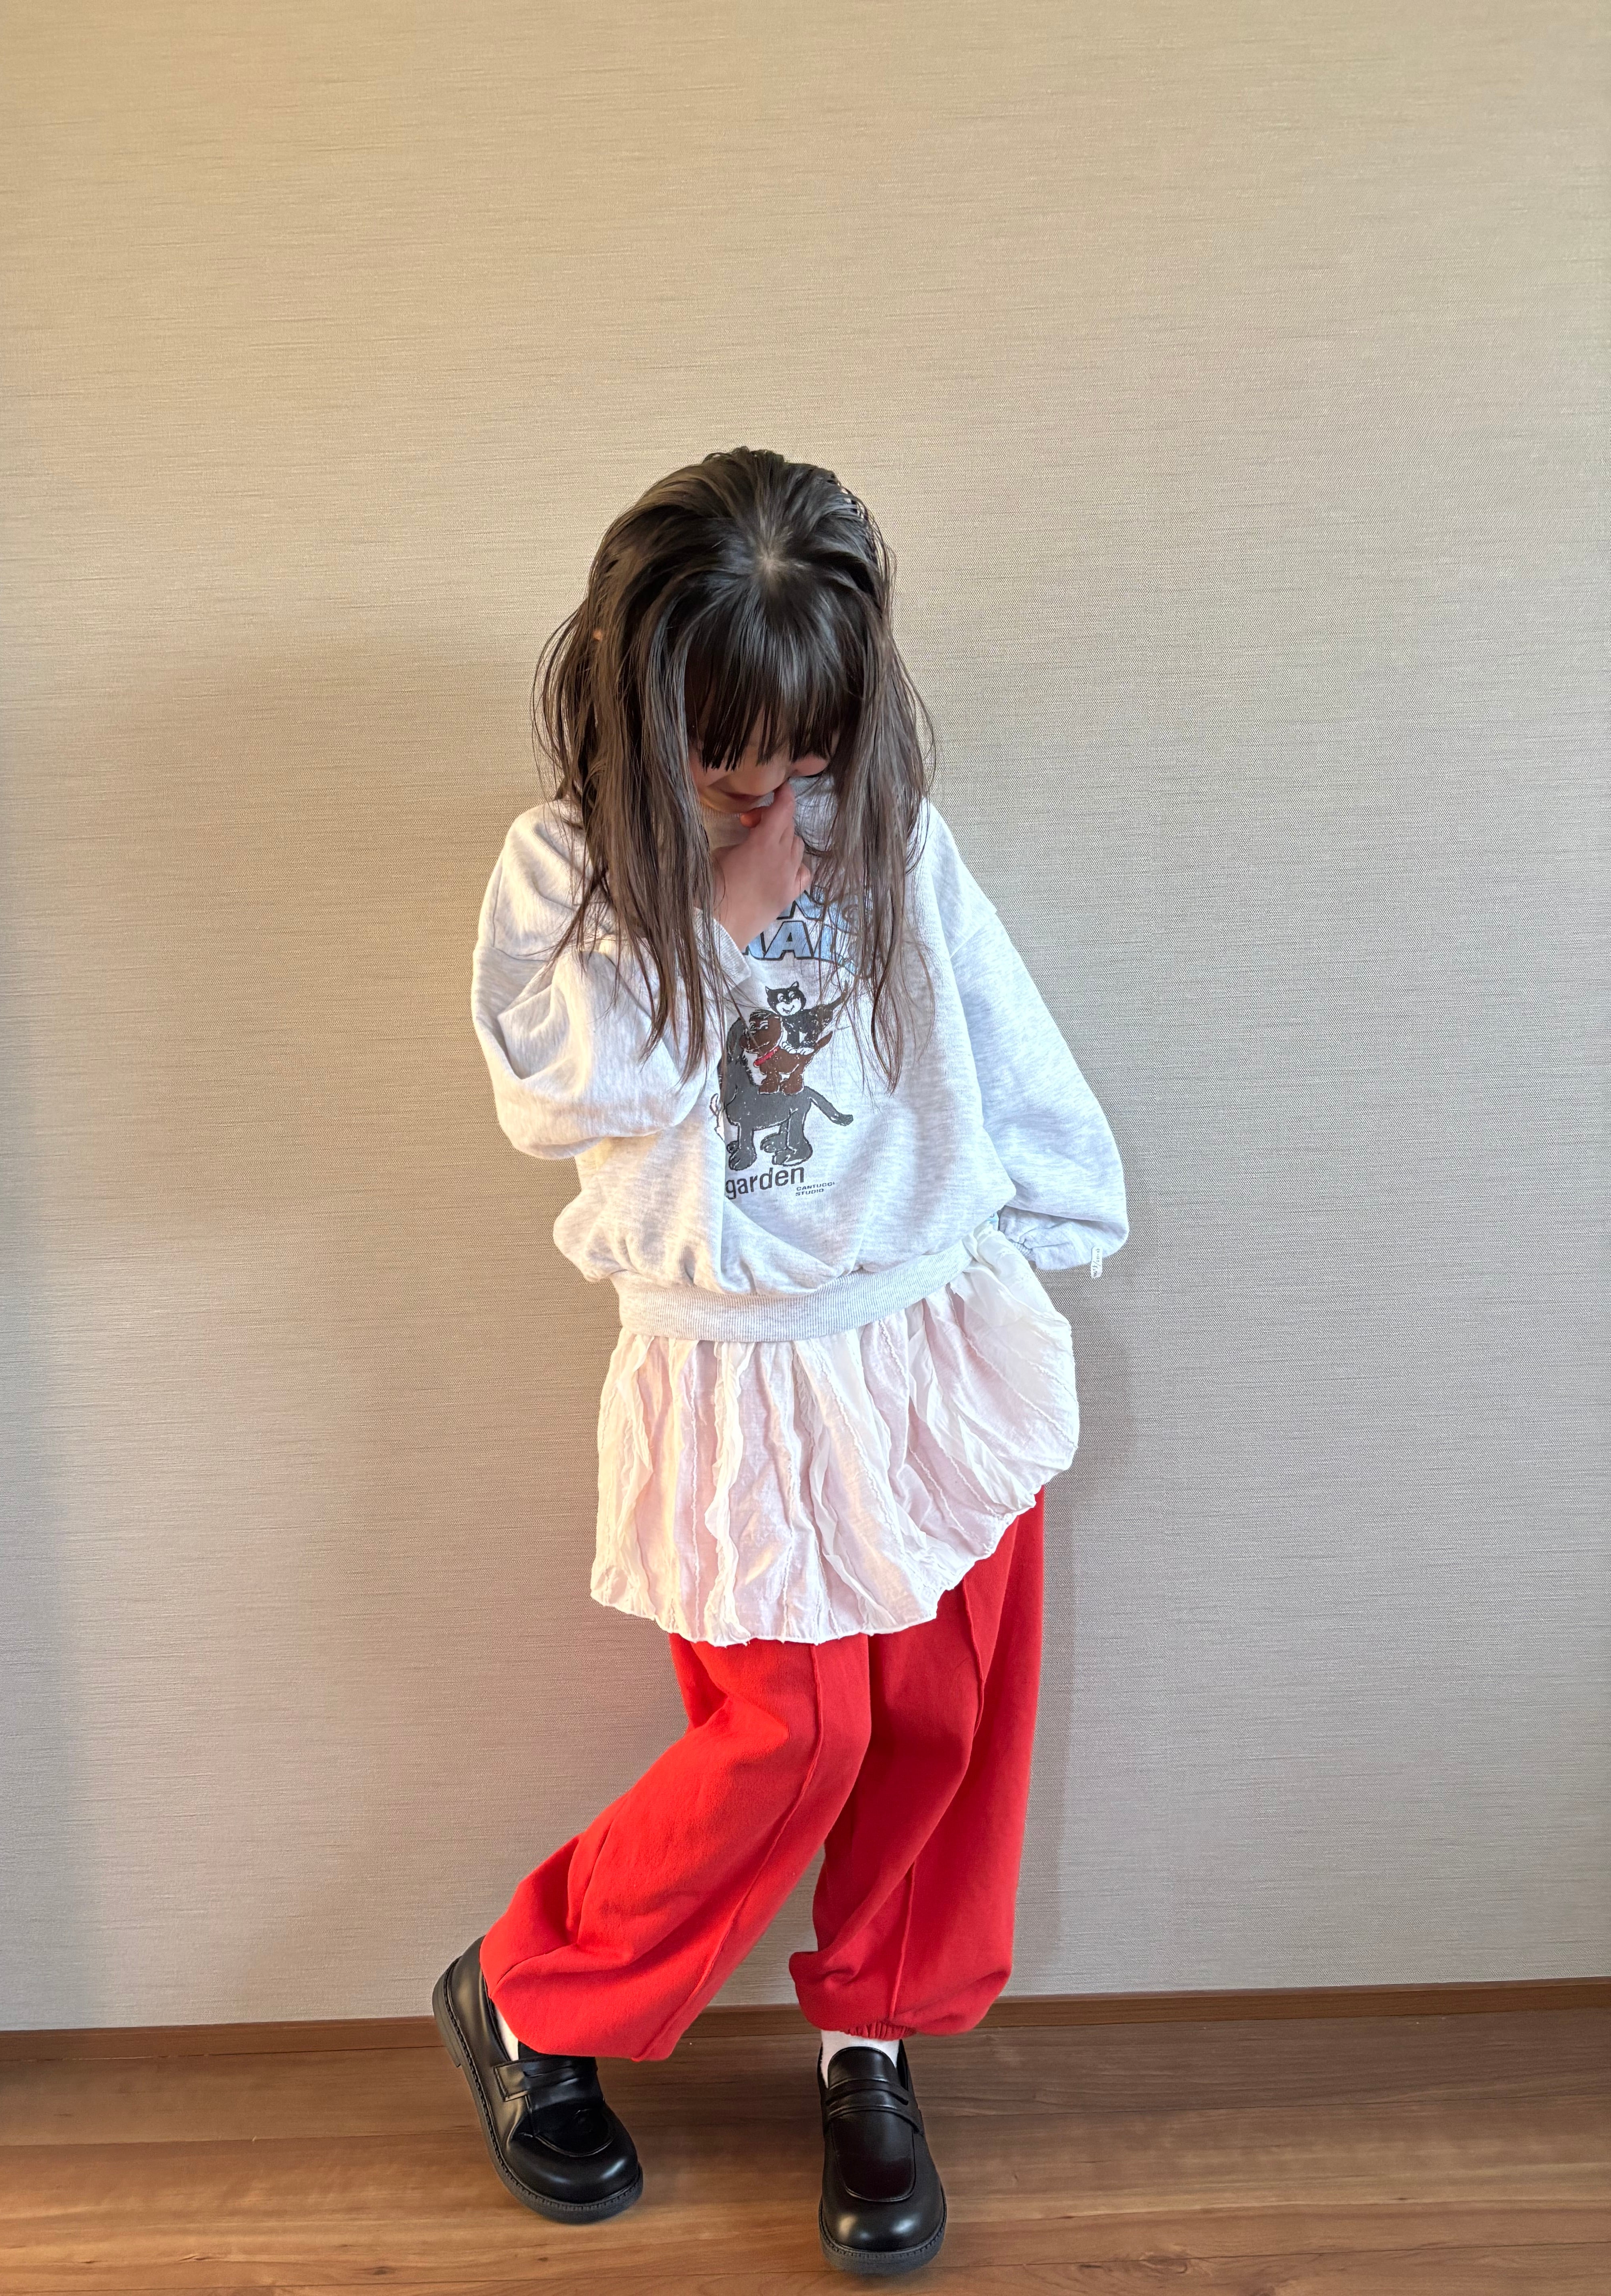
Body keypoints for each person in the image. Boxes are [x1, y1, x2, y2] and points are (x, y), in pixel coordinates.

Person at [434, 446, 1128, 2275]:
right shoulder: (567, 869)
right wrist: (722, 910)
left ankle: (869, 2040)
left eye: (803, 758)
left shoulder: (892, 836)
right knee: (793, 1732)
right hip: (737, 1368)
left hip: (923, 1332)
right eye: (722, 760)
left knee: (945, 1718)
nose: (768, 794)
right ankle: (530, 1989)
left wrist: (1059, 1213)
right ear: (634, 713)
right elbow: (550, 1094)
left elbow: (990, 1020)